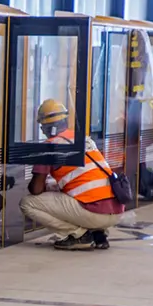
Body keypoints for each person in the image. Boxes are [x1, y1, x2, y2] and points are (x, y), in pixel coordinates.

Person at [19, 99, 125, 251]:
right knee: (70, 193)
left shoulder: (49, 146)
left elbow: (35, 189)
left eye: (42, 125)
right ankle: (98, 234)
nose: (42, 130)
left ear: (46, 126)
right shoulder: (84, 139)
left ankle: (79, 235)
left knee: (27, 203)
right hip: (115, 210)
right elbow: (85, 178)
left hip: (93, 211)